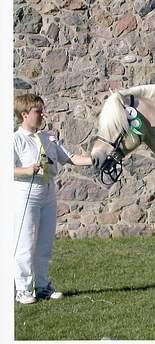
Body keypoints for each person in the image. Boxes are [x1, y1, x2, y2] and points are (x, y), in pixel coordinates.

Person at [13, 94, 92, 304]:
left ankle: (42, 287)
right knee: (25, 242)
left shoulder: (48, 138)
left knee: (44, 244)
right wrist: (27, 170)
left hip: (48, 193)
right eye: (38, 112)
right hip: (26, 194)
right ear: (24, 114)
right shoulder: (15, 139)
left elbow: (72, 158)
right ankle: (22, 289)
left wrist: (97, 158)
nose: (42, 115)